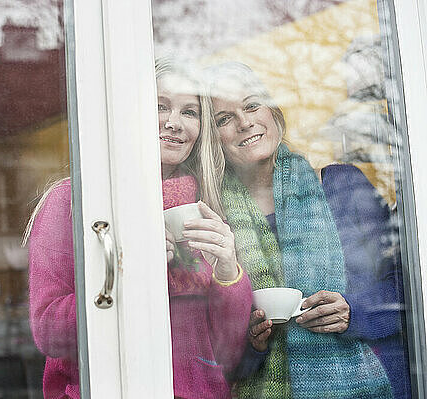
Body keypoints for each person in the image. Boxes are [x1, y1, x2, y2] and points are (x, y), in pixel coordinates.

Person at [26, 59, 252, 399]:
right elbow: (49, 333)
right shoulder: (73, 201)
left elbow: (229, 350)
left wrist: (227, 271)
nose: (175, 123)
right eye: (160, 106)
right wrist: (129, 272)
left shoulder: (208, 205)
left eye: (190, 112)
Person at [204, 62, 410, 399]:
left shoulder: (343, 185)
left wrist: (353, 312)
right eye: (224, 119)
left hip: (377, 383)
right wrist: (252, 344)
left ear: (273, 112)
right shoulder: (218, 222)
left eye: (252, 104)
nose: (244, 123)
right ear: (214, 139)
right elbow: (214, 354)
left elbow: (408, 291)